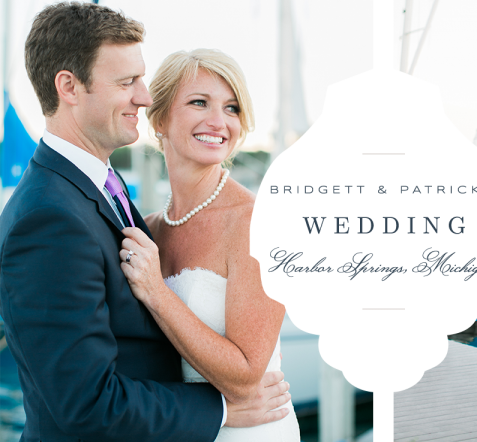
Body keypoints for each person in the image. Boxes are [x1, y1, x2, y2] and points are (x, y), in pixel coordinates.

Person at [0, 3, 289, 441]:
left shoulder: (105, 189)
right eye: (126, 82)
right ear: (69, 87)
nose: (143, 94)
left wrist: (157, 293)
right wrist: (222, 410)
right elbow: (86, 402)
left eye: (232, 108)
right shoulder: (50, 217)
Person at [117, 48, 301, 441]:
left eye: (232, 108)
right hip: (183, 426)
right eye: (199, 102)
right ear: (160, 117)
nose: (219, 122)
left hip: (252, 431)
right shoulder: (148, 229)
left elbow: (247, 377)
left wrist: (154, 291)